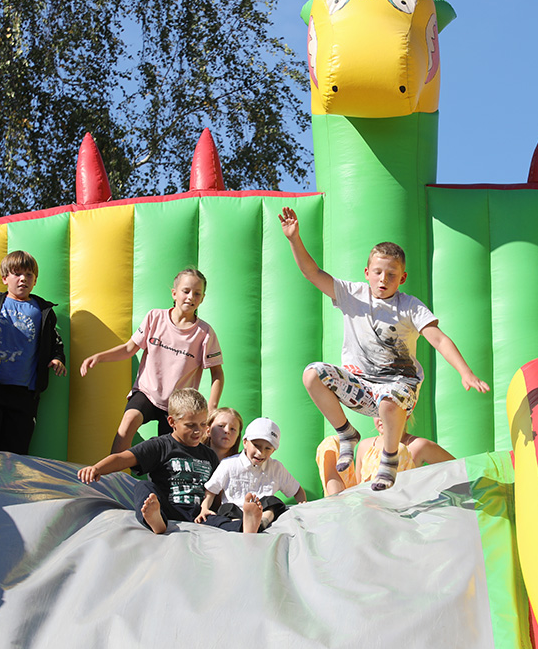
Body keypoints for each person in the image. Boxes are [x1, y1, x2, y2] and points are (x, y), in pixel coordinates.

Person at [279, 206, 488, 490]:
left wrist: (465, 372)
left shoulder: (410, 306)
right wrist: (294, 239)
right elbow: (312, 272)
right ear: (367, 272)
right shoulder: (352, 295)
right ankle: (346, 433)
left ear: (402, 278)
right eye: (377, 272)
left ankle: (389, 459)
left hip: (400, 387)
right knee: (312, 374)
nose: (383, 279)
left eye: (391, 274)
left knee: (389, 399)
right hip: (362, 388)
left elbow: (438, 338)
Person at [80, 268, 223, 455]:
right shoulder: (155, 318)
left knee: (170, 452)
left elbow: (217, 373)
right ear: (174, 293)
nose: (190, 297)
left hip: (178, 404)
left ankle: (159, 482)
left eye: (197, 293)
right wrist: (99, 357)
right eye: (186, 291)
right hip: (148, 392)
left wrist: (212, 407)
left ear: (202, 298)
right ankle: (112, 476)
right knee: (128, 421)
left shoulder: (204, 333)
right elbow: (129, 348)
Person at [77, 388, 218, 535]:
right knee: (143, 486)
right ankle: (156, 520)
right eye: (190, 425)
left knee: (232, 523)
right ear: (172, 422)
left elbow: (217, 488)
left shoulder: (209, 455)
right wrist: (97, 468)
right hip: (167, 508)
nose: (198, 431)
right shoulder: (161, 446)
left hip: (199, 514)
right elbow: (123, 458)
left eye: (203, 424)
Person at [0, 250, 67, 454]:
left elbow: (55, 341)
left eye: (29, 275)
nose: (23, 279)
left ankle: (10, 486)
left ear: (35, 281)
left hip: (24, 393)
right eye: (17, 274)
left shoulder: (42, 310)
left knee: (16, 450)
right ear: (4, 278)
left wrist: (57, 358)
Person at [197, 417, 305, 533]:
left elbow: (297, 490)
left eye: (267, 448)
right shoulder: (229, 464)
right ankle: (243, 525)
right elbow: (211, 490)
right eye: (256, 446)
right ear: (245, 443)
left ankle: (261, 522)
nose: (260, 452)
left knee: (273, 502)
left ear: (273, 450)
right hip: (235, 512)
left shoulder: (276, 468)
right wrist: (204, 508)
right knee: (226, 508)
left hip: (262, 512)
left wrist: (303, 507)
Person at [316, 417, 454, 495]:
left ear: (404, 413)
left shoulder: (418, 446)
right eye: (376, 412)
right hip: (364, 505)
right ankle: (336, 507)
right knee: (330, 443)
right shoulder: (365, 445)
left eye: (386, 411)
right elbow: (358, 486)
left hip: (395, 506)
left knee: (398, 449)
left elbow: (457, 469)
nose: (381, 417)